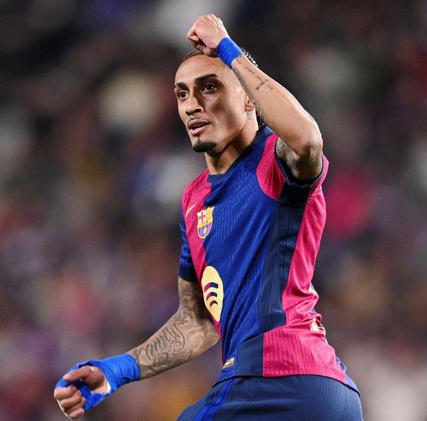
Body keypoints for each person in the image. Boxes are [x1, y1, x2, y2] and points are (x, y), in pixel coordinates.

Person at [53, 13, 362, 420]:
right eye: (182, 94)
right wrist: (117, 370)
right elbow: (197, 320)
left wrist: (228, 50)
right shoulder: (194, 200)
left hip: (278, 377)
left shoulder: (273, 161)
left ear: (249, 99)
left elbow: (307, 141)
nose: (192, 105)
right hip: (323, 392)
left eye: (209, 87)